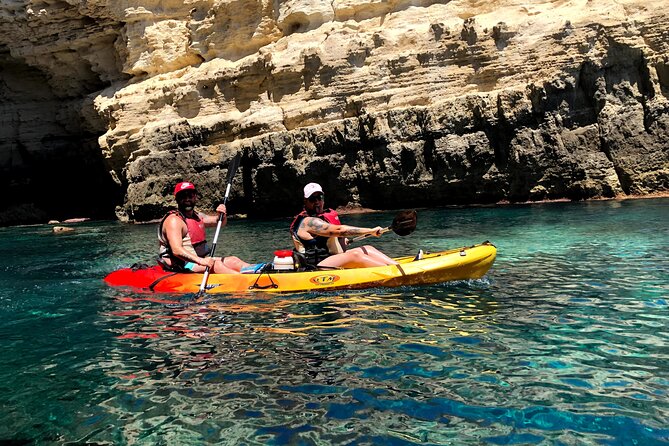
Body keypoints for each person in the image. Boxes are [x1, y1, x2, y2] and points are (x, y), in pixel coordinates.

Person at [290, 183, 399, 269]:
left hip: (329, 259)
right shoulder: (308, 222)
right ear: (305, 201)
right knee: (355, 255)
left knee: (367, 248)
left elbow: (329, 238)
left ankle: (398, 266)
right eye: (312, 199)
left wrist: (341, 241)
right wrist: (370, 231)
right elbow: (339, 230)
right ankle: (391, 272)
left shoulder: (321, 218)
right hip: (315, 267)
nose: (317, 201)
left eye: (320, 197)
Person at [158, 181, 250, 274]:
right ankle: (246, 281)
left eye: (190, 195)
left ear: (195, 197)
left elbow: (219, 223)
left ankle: (257, 271)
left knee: (233, 260)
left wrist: (222, 215)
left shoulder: (197, 216)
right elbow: (176, 250)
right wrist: (201, 261)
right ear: (177, 199)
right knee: (216, 265)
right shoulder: (174, 221)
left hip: (198, 261)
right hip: (180, 265)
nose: (187, 199)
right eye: (183, 196)